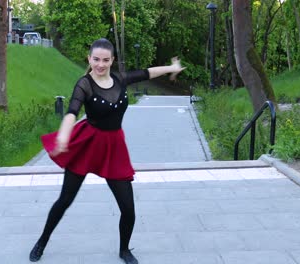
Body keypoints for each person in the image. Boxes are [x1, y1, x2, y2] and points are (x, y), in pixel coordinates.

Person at [29, 38, 185, 264]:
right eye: (96, 59)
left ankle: (124, 250)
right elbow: (72, 110)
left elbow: (147, 73)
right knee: (65, 200)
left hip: (114, 148)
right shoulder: (84, 84)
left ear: (112, 60)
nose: (100, 64)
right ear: (89, 59)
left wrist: (171, 68)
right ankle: (42, 241)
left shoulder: (120, 80)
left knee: (128, 209)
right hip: (87, 144)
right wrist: (64, 133)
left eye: (105, 60)